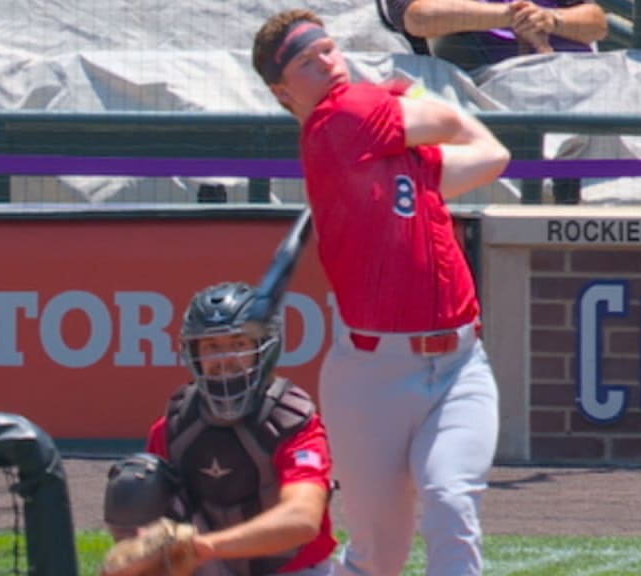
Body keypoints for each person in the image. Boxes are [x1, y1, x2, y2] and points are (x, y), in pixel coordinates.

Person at [252, 9, 509, 576]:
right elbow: (448, 119)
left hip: (460, 364)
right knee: (378, 555)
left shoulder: (386, 149)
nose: (327, 62)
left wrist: (407, 115)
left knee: (450, 503)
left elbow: (494, 157)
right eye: (305, 61)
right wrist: (408, 102)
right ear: (281, 90)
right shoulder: (339, 115)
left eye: (328, 49)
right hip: (373, 377)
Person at [102, 281, 339, 576]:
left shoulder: (291, 422)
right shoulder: (176, 426)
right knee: (135, 480)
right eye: (212, 347)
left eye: (238, 345)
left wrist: (204, 547)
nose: (224, 359)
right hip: (211, 569)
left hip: (294, 569)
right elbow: (146, 529)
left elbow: (302, 520)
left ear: (263, 350)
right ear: (194, 354)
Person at [380, 0, 607, 72]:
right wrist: (512, 17)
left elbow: (597, 24)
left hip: (576, 83)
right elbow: (418, 18)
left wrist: (551, 20)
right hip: (488, 94)